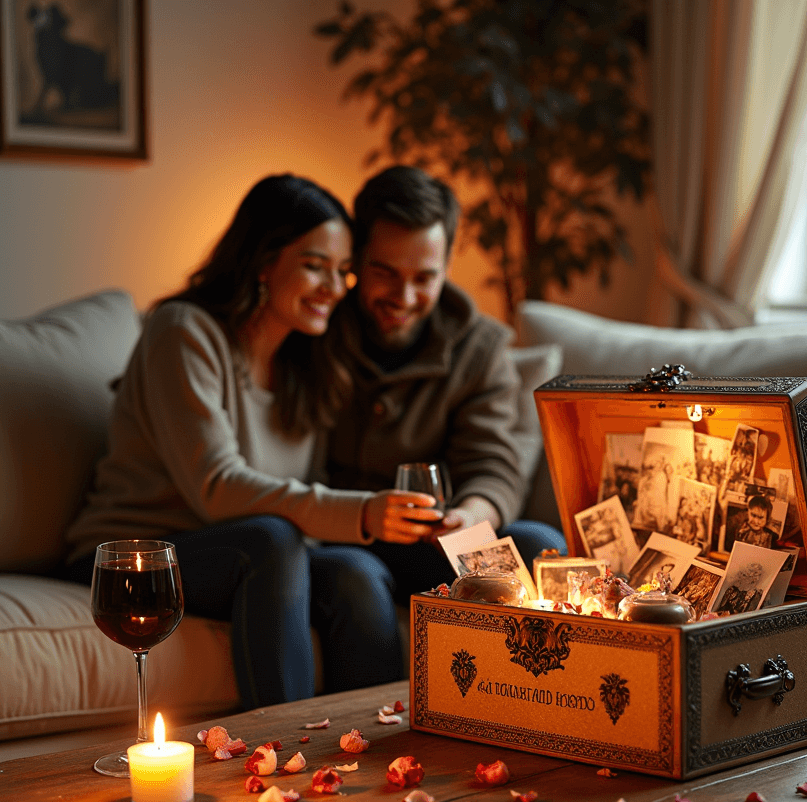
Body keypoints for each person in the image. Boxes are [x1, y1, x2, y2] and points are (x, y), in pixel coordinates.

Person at [65, 173, 457, 709]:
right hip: (136, 559)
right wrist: (362, 512)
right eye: (315, 266)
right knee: (271, 539)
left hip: (251, 556)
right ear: (262, 261)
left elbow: (302, 490)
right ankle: (281, 746)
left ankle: (376, 740)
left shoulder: (307, 360)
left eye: (343, 271)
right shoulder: (182, 332)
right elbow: (218, 487)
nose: (334, 288)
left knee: (357, 571)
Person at [321, 165, 565, 620]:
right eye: (385, 272)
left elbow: (492, 464)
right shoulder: (318, 328)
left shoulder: (480, 348)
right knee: (355, 577)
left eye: (424, 278)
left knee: (541, 546)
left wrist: (470, 515)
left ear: (448, 265)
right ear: (355, 259)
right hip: (343, 539)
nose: (404, 297)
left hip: (435, 541)